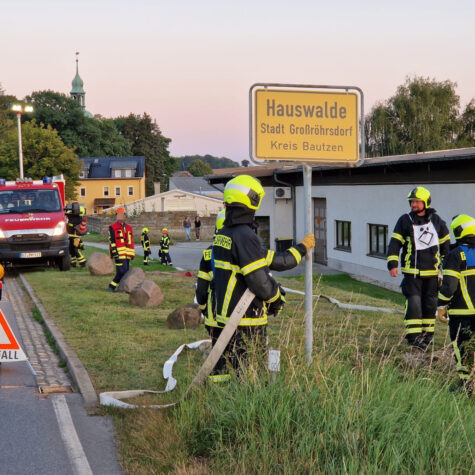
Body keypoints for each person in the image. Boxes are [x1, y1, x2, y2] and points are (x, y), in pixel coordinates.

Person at [211, 175, 316, 381]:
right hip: (246, 321)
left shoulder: (226, 233)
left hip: (226, 320)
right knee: (249, 373)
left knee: (225, 372)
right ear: (250, 199)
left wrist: (302, 248)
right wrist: (276, 298)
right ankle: (247, 410)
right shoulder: (244, 236)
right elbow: (259, 282)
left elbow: (277, 260)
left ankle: (222, 406)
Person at [387, 186, 450, 349]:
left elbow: (446, 245)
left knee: (430, 305)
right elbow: (395, 243)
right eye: (412, 202)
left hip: (432, 274)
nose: (413, 205)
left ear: (426, 202)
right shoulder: (404, 220)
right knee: (414, 303)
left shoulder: (437, 221)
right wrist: (392, 264)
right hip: (412, 273)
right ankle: (413, 338)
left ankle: (427, 336)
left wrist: (446, 266)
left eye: (416, 201)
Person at [437, 214, 475, 393]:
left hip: (462, 313)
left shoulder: (456, 255)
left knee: (462, 348)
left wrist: (441, 306)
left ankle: (467, 387)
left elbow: (449, 286)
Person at [196, 210, 226, 349]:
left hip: (213, 317)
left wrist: (203, 308)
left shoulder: (208, 254)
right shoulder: (244, 250)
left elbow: (201, 289)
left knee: (218, 357)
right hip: (240, 319)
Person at [108, 207, 135, 292]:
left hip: (127, 254)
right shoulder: (112, 227)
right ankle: (111, 286)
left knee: (126, 271)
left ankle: (123, 288)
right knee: (121, 271)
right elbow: (111, 240)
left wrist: (132, 253)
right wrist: (114, 252)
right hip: (119, 254)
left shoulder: (129, 227)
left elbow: (131, 241)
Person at [65, 202, 87, 267]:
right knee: (70, 250)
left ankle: (83, 262)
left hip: (76, 237)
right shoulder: (74, 217)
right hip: (71, 236)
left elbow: (68, 213)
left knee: (75, 249)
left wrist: (68, 210)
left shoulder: (77, 218)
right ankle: (73, 263)